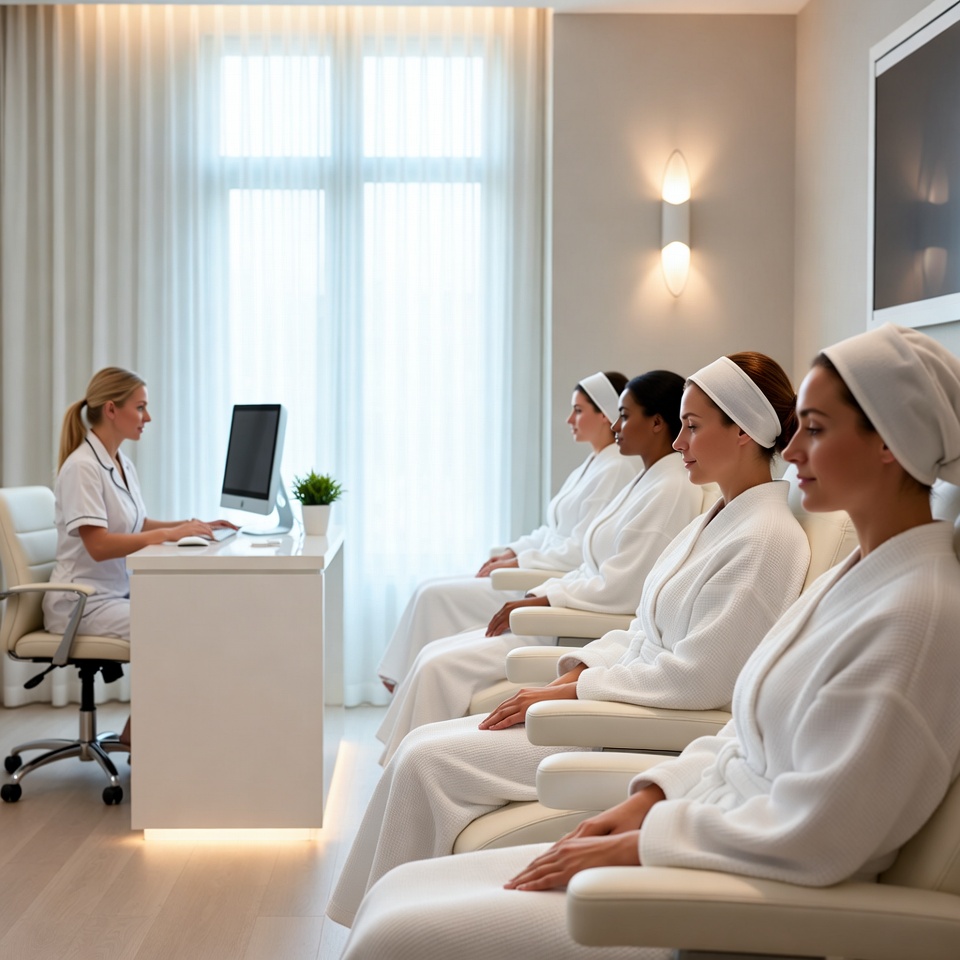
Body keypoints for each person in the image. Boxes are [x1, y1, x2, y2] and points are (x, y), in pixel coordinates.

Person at [338, 324, 960, 960]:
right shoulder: (858, 573)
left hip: (733, 898)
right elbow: (740, 733)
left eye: (817, 428)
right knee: (403, 892)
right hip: (704, 828)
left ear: (890, 440)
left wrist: (647, 838)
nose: (792, 447)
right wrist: (653, 797)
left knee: (398, 930)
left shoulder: (916, 613)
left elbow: (822, 831)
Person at [328, 351, 812, 927]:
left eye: (692, 426)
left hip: (636, 730)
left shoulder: (765, 540)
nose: (679, 441)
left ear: (743, 431)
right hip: (615, 701)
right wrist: (578, 672)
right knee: (420, 748)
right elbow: (642, 628)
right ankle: (374, 924)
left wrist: (576, 694)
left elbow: (699, 677)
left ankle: (388, 931)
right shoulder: (717, 520)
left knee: (427, 760)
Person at [375, 370, 705, 764]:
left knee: (435, 665)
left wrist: (545, 598)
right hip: (568, 613)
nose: (617, 426)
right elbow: (590, 559)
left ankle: (405, 766)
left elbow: (619, 589)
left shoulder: (668, 487)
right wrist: (542, 590)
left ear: (655, 422)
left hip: (573, 627)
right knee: (433, 655)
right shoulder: (650, 480)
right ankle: (401, 764)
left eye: (623, 415)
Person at [377, 371, 637, 692]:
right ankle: (409, 682)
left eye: (579, 410)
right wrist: (514, 551)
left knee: (433, 594)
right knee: (429, 589)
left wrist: (519, 563)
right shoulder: (594, 463)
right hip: (541, 569)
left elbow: (577, 549)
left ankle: (409, 682)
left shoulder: (617, 468)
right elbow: (553, 530)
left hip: (545, 577)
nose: (569, 418)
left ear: (605, 414)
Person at [42, 367, 237, 744]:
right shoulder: (82, 467)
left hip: (111, 594)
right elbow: (98, 545)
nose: (148, 418)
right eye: (141, 408)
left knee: (196, 612)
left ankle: (163, 737)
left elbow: (137, 521)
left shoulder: (120, 461)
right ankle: (138, 736)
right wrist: (167, 534)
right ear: (112, 410)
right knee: (177, 628)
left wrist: (191, 524)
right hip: (81, 603)